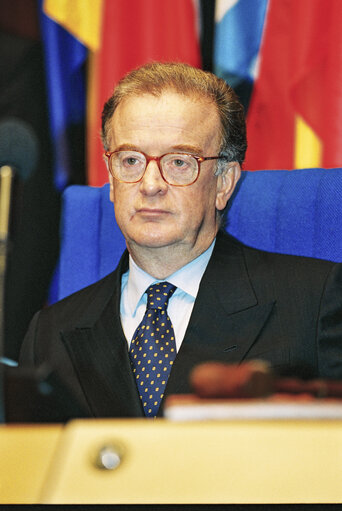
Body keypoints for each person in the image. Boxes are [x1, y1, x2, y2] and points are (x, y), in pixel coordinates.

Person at [19, 62, 342, 418]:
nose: (151, 184)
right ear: (111, 179)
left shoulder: (316, 303)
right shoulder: (49, 333)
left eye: (179, 162)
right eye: (130, 160)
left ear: (224, 183)